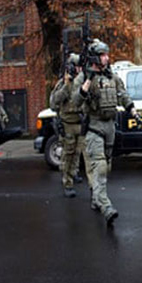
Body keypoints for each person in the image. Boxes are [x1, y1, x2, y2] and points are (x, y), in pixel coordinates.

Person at [73, 39, 136, 225]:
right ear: (94, 58)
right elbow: (75, 101)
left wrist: (131, 109)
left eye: (107, 55)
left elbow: (122, 94)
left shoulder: (111, 76)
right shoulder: (84, 77)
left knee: (106, 166)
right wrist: (87, 81)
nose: (107, 58)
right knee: (99, 167)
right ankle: (105, 206)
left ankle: (96, 197)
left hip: (110, 126)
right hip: (94, 126)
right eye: (102, 55)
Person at [50, 53, 90, 198]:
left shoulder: (83, 82)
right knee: (68, 154)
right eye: (77, 67)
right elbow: (54, 102)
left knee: (78, 152)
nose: (79, 70)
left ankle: (74, 173)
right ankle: (67, 182)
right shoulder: (64, 83)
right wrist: (67, 85)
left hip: (80, 122)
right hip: (67, 124)